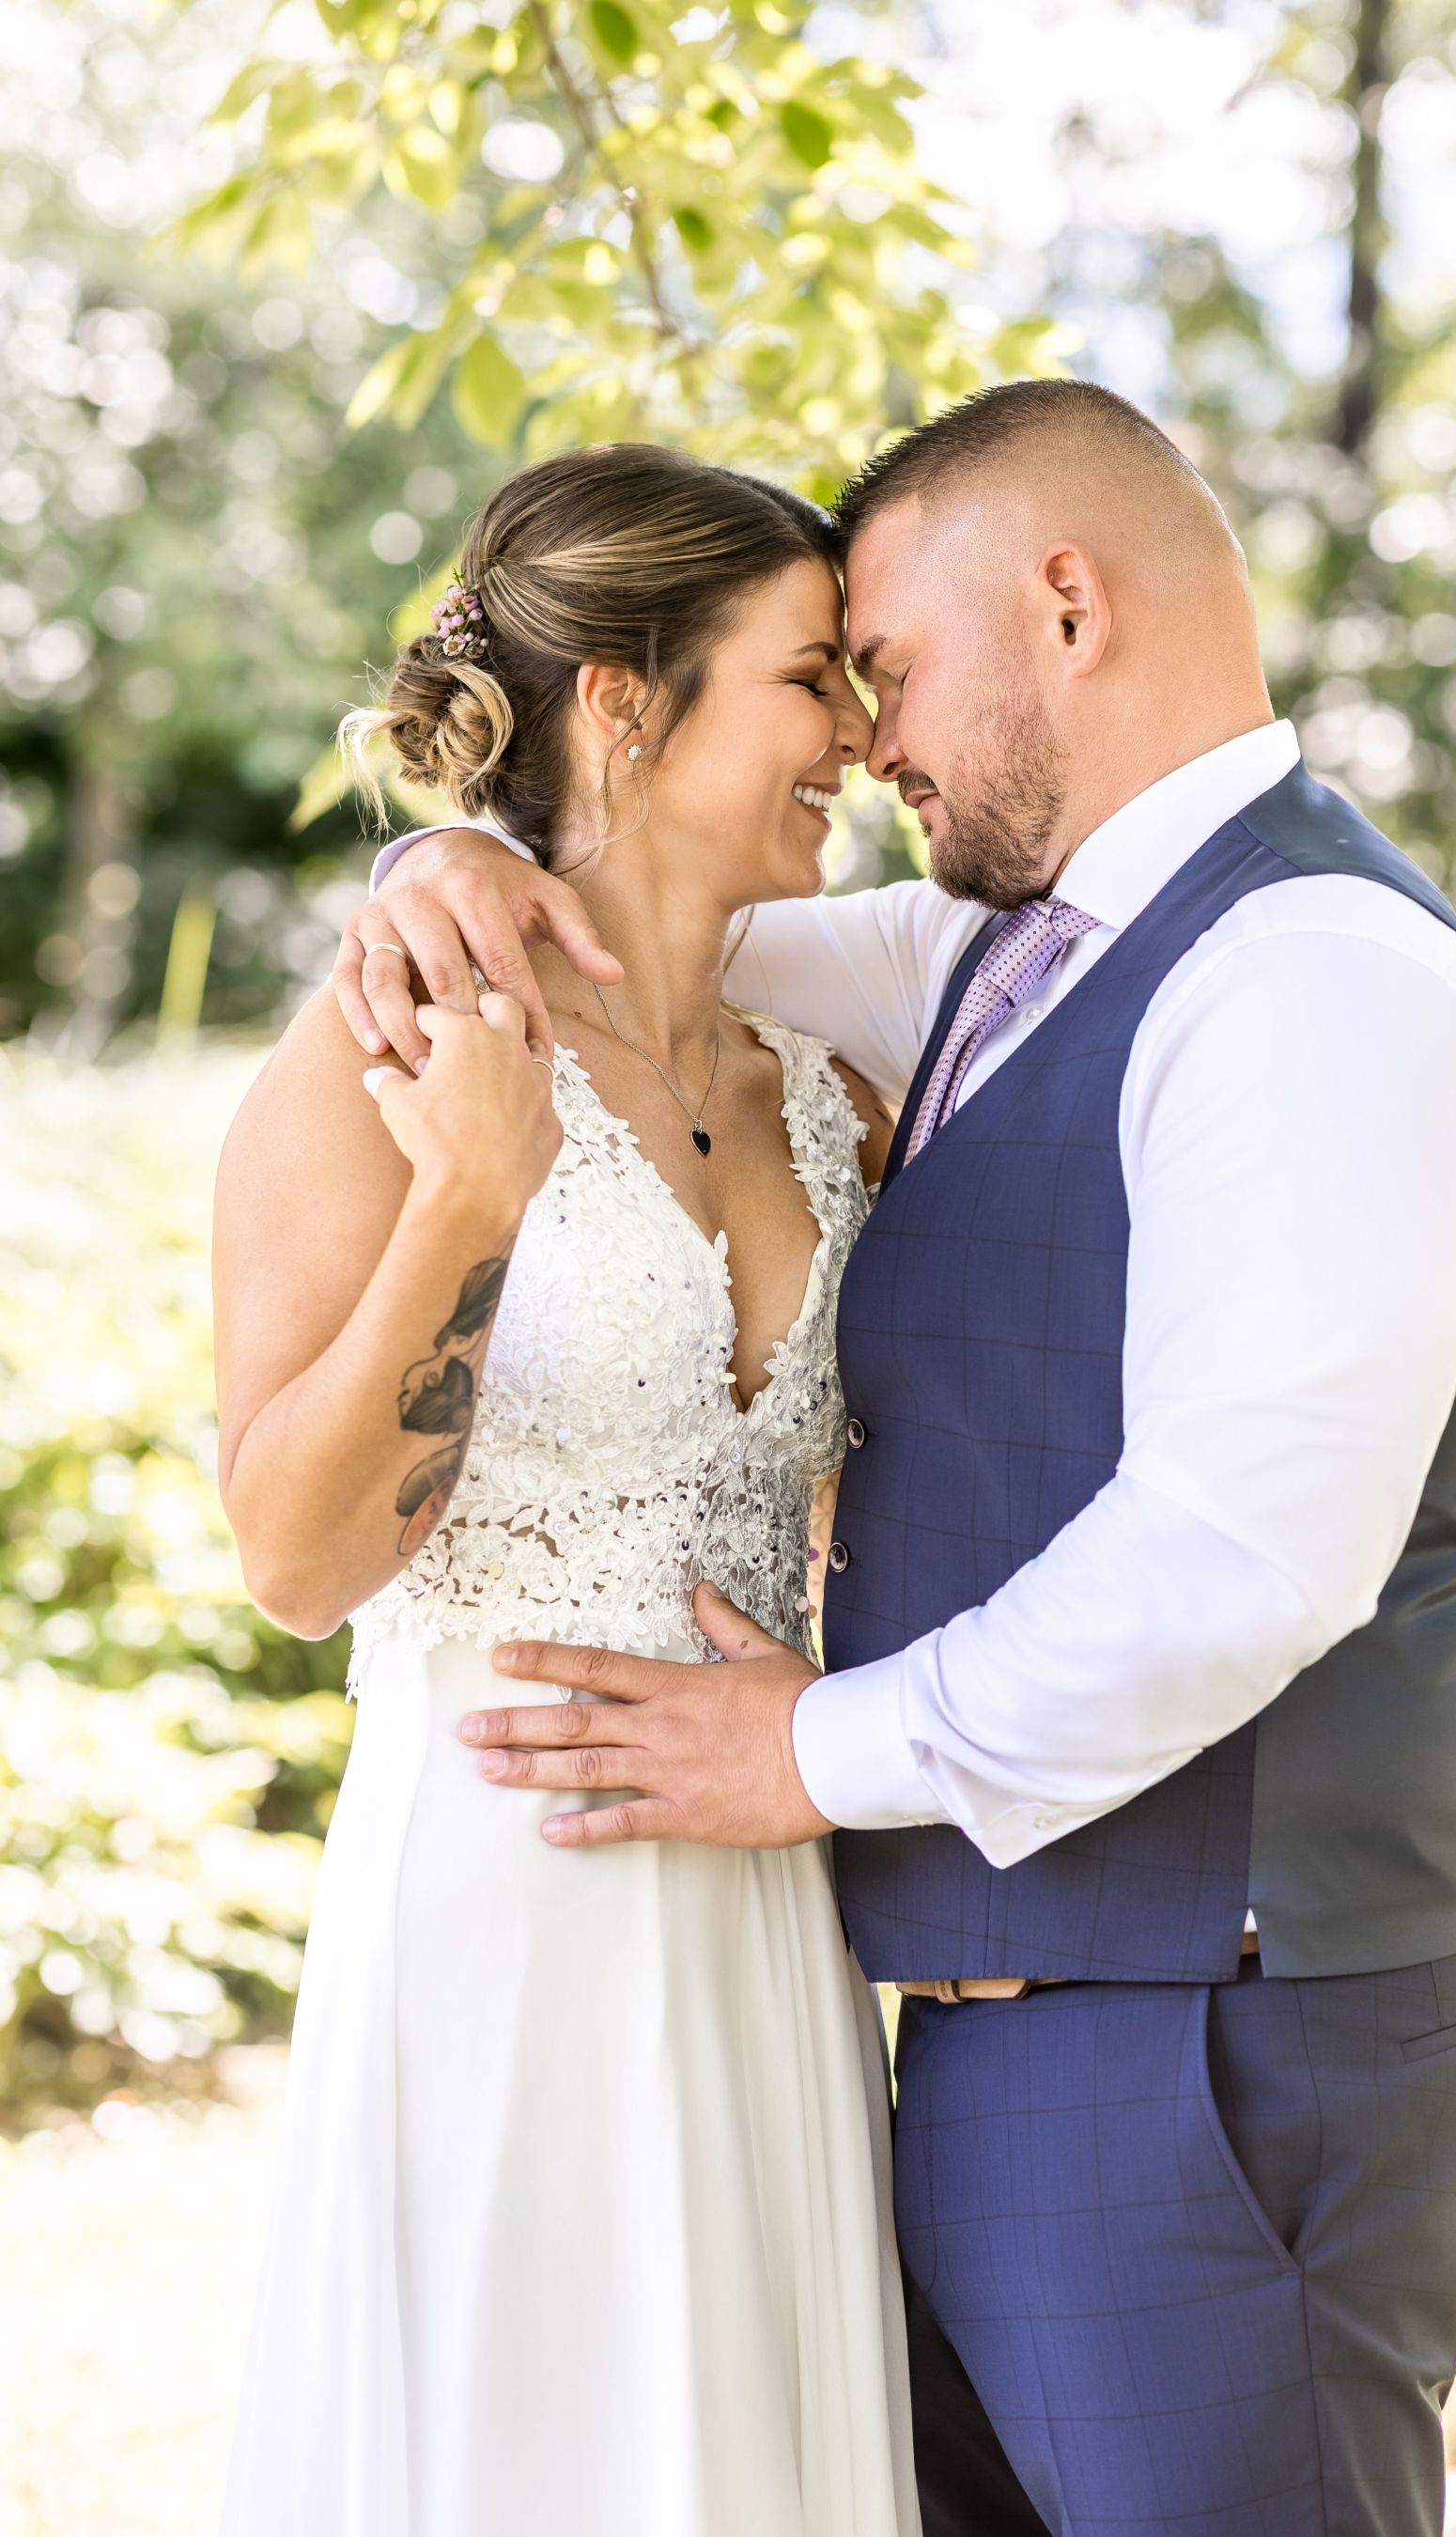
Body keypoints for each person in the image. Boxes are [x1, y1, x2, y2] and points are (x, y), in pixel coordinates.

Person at [349, 380, 1456, 2537]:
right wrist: (442, 854)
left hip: (1222, 2056)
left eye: (882, 667)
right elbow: (635, 926)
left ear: (1068, 608)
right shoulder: (990, 953)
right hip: (999, 2044)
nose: (865, 737)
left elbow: (1245, 1552)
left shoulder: (1316, 977)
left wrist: (807, 1754)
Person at [212, 444, 919, 2537]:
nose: (857, 733)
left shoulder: (833, 1091)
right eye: (806, 676)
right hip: (505, 1910)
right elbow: (297, 1562)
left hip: (766, 1920)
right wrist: (466, 1202)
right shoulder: (377, 1057)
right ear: (623, 702)